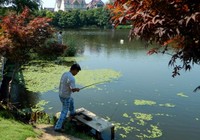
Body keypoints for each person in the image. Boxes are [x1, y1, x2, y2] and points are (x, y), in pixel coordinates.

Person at [54, 63, 81, 132]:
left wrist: (72, 88)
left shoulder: (65, 74)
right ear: (74, 70)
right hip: (65, 96)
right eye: (77, 71)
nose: (77, 73)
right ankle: (58, 127)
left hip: (61, 94)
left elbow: (65, 84)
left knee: (71, 100)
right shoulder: (72, 78)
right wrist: (77, 89)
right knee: (64, 111)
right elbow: (73, 90)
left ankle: (72, 113)